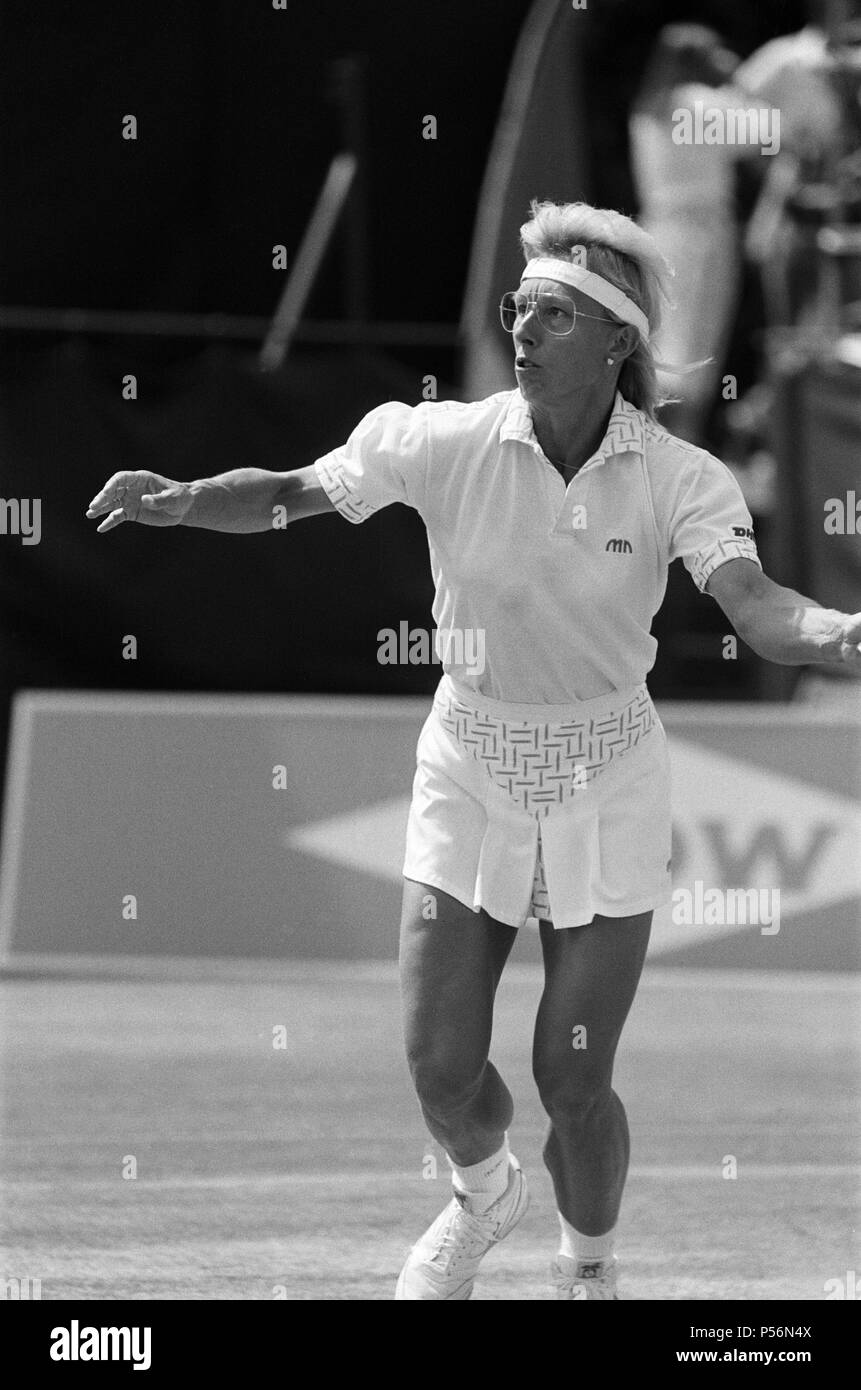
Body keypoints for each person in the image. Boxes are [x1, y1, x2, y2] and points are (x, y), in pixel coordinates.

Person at [86, 200, 861, 1300]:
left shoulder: (682, 477)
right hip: (470, 759)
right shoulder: (438, 437)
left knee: (574, 1073)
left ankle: (588, 1270)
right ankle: (483, 1191)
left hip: (609, 774)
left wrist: (837, 633)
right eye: (518, 310)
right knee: (441, 1067)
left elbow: (754, 603)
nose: (522, 330)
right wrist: (179, 502)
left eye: (550, 314)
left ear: (616, 341)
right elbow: (293, 494)